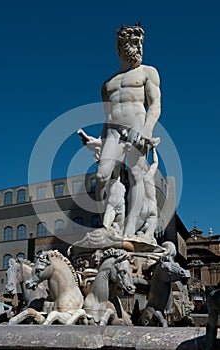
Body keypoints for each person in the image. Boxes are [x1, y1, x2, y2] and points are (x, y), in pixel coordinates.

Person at [96, 23, 161, 237]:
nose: (140, 47)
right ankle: (108, 224)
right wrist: (101, 140)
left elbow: (155, 105)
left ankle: (130, 229)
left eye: (141, 43)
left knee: (136, 175)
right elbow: (107, 116)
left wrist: (147, 129)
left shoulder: (148, 72)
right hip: (113, 131)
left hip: (137, 127)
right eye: (135, 42)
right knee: (102, 176)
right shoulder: (107, 84)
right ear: (121, 47)